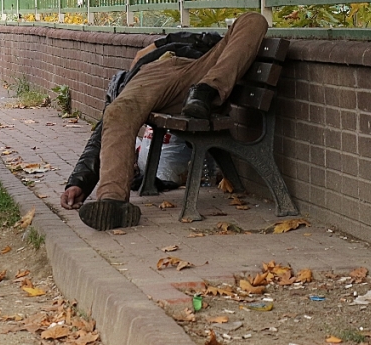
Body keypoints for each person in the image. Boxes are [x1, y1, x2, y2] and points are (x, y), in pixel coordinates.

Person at [61, 12, 269, 230]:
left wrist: (164, 44)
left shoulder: (179, 43)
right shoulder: (127, 77)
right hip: (150, 78)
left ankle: (205, 92)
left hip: (200, 70)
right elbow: (103, 132)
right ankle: (112, 202)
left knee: (253, 19)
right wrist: (79, 181)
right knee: (117, 112)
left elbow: (213, 39)